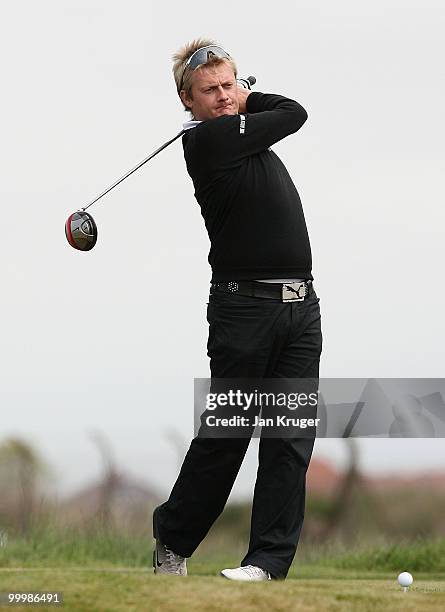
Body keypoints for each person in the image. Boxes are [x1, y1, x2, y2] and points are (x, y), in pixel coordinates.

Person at [152, 38, 322, 582]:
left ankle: (267, 563)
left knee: (289, 441)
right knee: (228, 435)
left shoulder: (243, 139)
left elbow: (283, 114)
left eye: (231, 85)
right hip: (244, 310)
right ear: (188, 100)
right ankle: (173, 543)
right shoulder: (209, 142)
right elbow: (294, 112)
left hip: (301, 308)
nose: (225, 97)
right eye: (211, 90)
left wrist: (244, 93)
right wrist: (250, 98)